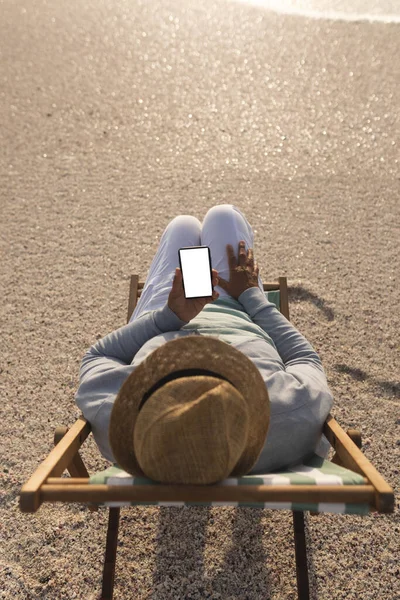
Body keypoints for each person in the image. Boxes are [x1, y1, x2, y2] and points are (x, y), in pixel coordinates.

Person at [75, 204, 333, 484]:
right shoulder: (289, 411)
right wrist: (250, 295)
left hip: (173, 317)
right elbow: (304, 359)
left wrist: (168, 317)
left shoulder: (118, 418)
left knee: (182, 225)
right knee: (223, 216)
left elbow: (97, 355)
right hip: (239, 308)